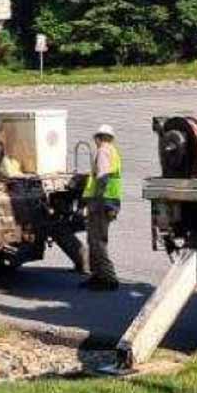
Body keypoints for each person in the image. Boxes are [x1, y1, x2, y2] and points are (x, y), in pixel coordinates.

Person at [80, 124, 123, 290]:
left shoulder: (103, 151)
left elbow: (102, 178)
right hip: (110, 202)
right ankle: (97, 275)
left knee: (98, 241)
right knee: (94, 239)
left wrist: (95, 202)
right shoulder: (113, 151)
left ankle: (108, 278)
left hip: (102, 203)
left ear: (98, 138)